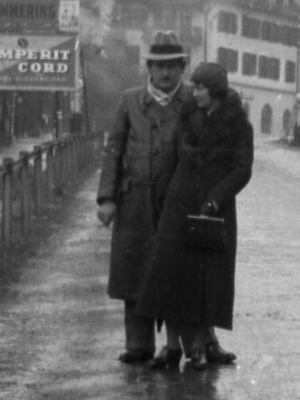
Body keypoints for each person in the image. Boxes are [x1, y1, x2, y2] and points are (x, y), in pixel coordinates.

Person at [134, 61, 254, 370]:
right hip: (179, 203)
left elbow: (242, 171)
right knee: (170, 276)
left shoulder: (239, 125)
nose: (194, 91)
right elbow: (173, 158)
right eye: (195, 85)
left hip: (214, 211)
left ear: (215, 90)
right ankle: (172, 346)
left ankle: (199, 347)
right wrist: (161, 196)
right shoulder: (188, 115)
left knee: (207, 281)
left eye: (200, 87)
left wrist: (215, 199)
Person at [97, 32, 192, 364]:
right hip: (134, 201)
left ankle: (185, 344)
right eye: (159, 66)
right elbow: (114, 150)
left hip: (177, 204)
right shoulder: (130, 100)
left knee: (178, 273)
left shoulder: (194, 101)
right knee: (134, 269)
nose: (165, 73)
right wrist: (106, 198)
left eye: (172, 66)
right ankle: (138, 344)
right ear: (149, 68)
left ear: (182, 68)